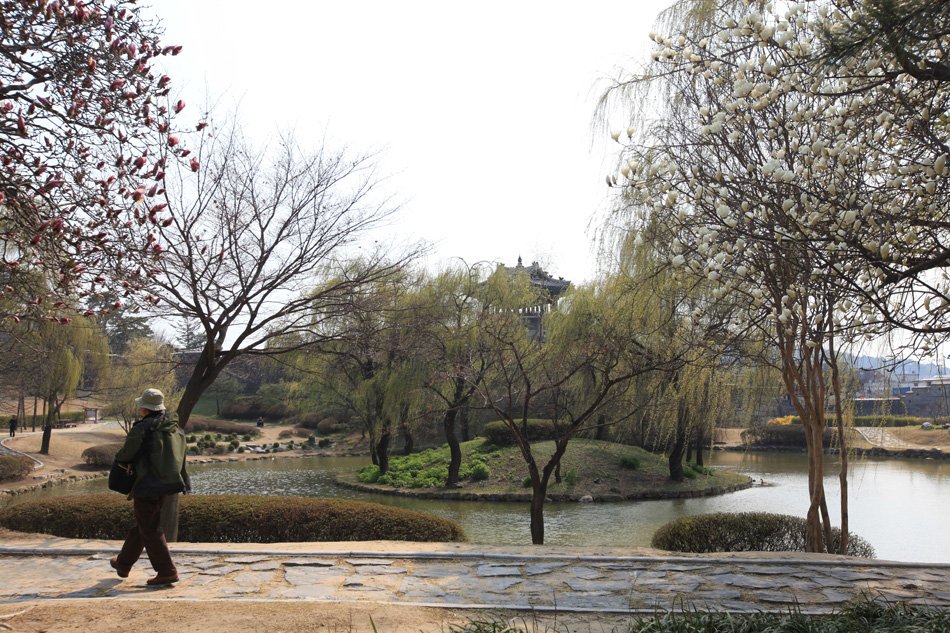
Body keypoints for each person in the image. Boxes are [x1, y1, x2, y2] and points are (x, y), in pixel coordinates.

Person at [110, 388, 189, 586]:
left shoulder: (143, 427)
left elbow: (127, 454)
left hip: (147, 482)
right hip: (168, 482)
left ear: (145, 409)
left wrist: (119, 460)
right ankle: (123, 563)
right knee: (144, 523)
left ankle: (167, 571)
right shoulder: (174, 427)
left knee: (150, 526)